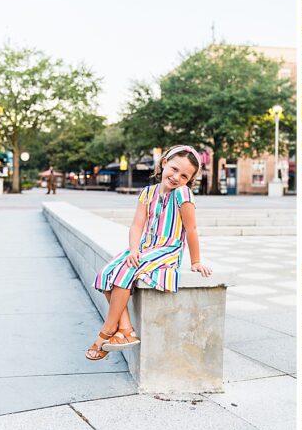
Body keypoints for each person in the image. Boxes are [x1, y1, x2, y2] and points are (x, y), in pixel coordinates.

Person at [86, 145, 214, 360]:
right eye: (174, 169)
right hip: (145, 248)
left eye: (184, 175)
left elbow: (191, 229)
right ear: (164, 163)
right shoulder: (147, 193)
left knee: (126, 271)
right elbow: (137, 225)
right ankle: (126, 329)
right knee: (106, 273)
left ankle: (106, 331)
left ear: (189, 180)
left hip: (167, 250)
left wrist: (196, 261)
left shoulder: (182, 194)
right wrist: (134, 249)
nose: (176, 177)